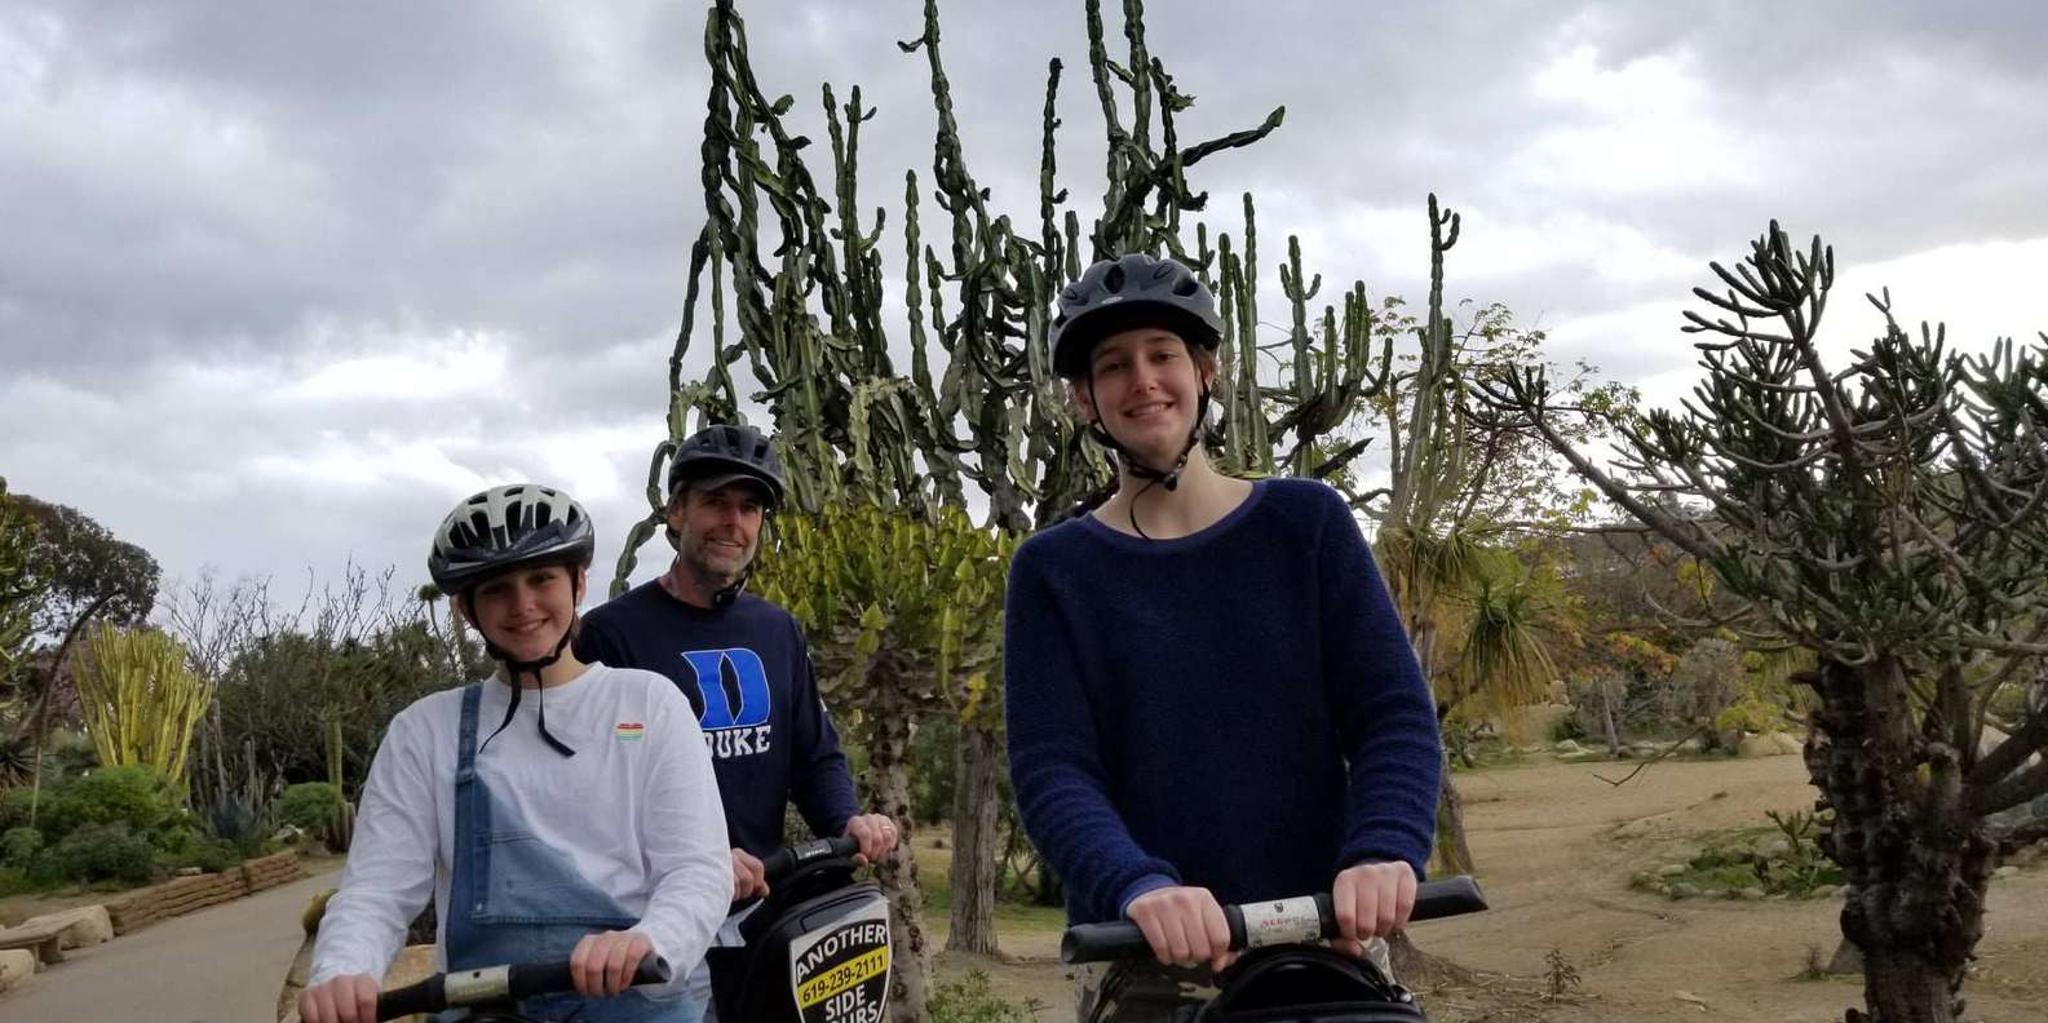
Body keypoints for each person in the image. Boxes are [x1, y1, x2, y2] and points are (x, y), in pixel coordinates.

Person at [1003, 253, 1444, 1020]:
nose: (1142, 378)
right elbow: (1054, 770)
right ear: (1084, 400)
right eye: (1114, 364)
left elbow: (1392, 713)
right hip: (1150, 958)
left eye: (1163, 355)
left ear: (1206, 370)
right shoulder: (1052, 570)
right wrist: (1139, 883)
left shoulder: (1307, 525)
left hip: (1327, 941)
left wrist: (1383, 846)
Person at [300, 485, 730, 1023]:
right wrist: (342, 971)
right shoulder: (424, 731)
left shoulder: (649, 703)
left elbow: (698, 869)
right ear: (467, 608)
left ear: (577, 582)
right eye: (497, 589)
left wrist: (649, 938)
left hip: (639, 1004)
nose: (523, 605)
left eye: (542, 579)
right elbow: (377, 890)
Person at [575, 424, 898, 1020]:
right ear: (676, 512)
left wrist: (846, 819)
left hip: (764, 912)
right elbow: (597, 793)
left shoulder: (776, 630)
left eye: (750, 508)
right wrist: (698, 859)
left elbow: (812, 752)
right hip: (656, 926)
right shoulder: (611, 634)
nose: (734, 522)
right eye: (716, 502)